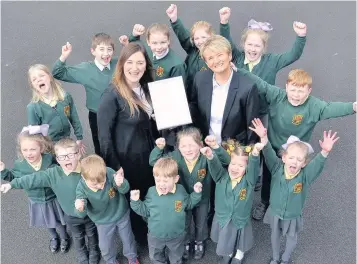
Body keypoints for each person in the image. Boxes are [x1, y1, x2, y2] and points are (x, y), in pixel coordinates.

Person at [237, 68, 357, 221]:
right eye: (293, 90)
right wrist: (239, 70)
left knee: (293, 179)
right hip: (273, 149)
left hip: (296, 153)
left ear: (309, 91)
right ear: (286, 87)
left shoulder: (314, 106)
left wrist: (353, 107)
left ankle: (288, 205)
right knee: (269, 177)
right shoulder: (278, 96)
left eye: (301, 91)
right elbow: (262, 84)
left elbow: (332, 108)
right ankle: (265, 202)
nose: (296, 95)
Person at [219, 6, 307, 191]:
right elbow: (225, 42)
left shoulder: (272, 61)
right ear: (244, 45)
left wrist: (300, 37)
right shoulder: (237, 57)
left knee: (258, 144)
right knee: (238, 141)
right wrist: (224, 23)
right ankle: (236, 167)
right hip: (238, 110)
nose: (253, 49)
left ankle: (256, 174)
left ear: (264, 47)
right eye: (249, 45)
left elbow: (293, 55)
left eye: (257, 45)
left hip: (261, 112)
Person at [249, 118, 340, 264]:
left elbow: (316, 165)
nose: (294, 161)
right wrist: (264, 137)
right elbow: (268, 152)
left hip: (292, 215)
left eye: (299, 159)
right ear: (284, 158)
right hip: (276, 212)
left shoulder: (305, 176)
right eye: (291, 157)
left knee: (292, 238)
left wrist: (324, 152)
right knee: (275, 235)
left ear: (304, 163)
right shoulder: (277, 168)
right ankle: (275, 257)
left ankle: (285, 259)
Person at [0, 138, 101, 264]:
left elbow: (101, 178)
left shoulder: (86, 170)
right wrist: (12, 184)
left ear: (78, 154)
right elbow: (32, 179)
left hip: (89, 214)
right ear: (57, 159)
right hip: (70, 215)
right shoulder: (53, 173)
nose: (66, 159)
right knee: (78, 236)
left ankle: (94, 251)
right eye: (62, 157)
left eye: (70, 155)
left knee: (92, 234)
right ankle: (81, 253)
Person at [97, 42, 159, 245]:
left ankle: (155, 229)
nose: (135, 68)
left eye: (140, 62)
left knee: (153, 193)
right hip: (129, 161)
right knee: (135, 198)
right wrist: (115, 167)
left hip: (151, 155)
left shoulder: (148, 87)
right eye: (130, 62)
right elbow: (104, 137)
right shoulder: (112, 95)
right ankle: (141, 238)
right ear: (122, 64)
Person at [149, 128, 230, 260]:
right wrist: (158, 148)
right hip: (182, 199)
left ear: (200, 144)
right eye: (183, 146)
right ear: (178, 147)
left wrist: (215, 147)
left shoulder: (206, 155)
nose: (188, 149)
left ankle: (199, 241)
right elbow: (154, 162)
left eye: (192, 144)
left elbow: (226, 160)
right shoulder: (175, 157)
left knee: (201, 222)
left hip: (202, 198)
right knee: (184, 222)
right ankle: (185, 242)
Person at [0, 126, 70, 254]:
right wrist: (3, 171)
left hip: (53, 197)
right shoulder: (20, 164)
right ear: (21, 150)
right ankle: (54, 237)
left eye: (33, 149)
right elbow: (14, 178)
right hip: (36, 200)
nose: (29, 153)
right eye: (25, 150)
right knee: (48, 222)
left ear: (41, 148)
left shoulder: (49, 159)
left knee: (60, 221)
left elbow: (59, 173)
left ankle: (65, 237)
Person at [120, 23, 187, 151]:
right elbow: (135, 46)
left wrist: (163, 114)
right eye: (154, 43)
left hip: (164, 116)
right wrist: (133, 35)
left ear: (169, 42)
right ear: (148, 42)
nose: (158, 47)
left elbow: (178, 96)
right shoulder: (146, 54)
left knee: (164, 147)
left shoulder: (176, 64)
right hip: (145, 105)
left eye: (163, 42)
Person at [52, 33, 118, 155]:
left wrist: (131, 40)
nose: (106, 53)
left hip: (119, 113)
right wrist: (64, 56)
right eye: (101, 49)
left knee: (121, 144)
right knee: (102, 147)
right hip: (97, 116)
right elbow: (57, 73)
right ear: (93, 51)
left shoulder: (118, 64)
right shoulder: (85, 69)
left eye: (109, 49)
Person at [201, 139, 263, 264]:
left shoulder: (249, 181)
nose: (235, 168)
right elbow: (214, 166)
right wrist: (210, 156)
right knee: (227, 237)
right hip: (223, 217)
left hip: (240, 218)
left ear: (247, 168)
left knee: (241, 240)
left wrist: (255, 154)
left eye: (241, 166)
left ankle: (239, 255)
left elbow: (254, 168)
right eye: (233, 164)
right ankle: (228, 253)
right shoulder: (221, 177)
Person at [130, 157, 203, 264]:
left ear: (176, 179)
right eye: (157, 180)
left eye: (165, 180)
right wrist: (136, 201)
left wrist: (196, 194)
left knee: (176, 257)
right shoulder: (151, 192)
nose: (161, 184)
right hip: (155, 236)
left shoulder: (181, 191)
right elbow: (145, 211)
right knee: (155, 257)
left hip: (177, 236)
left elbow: (189, 204)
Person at [75, 155, 139, 264]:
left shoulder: (108, 172)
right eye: (95, 184)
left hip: (121, 213)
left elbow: (125, 190)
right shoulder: (81, 188)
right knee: (105, 245)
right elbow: (81, 214)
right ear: (83, 177)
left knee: (128, 238)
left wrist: (121, 183)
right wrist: (80, 207)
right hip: (102, 221)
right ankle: (111, 261)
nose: (101, 186)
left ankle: (132, 258)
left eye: (103, 181)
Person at [27, 64, 85, 154]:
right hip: (48, 148)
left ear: (50, 77)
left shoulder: (65, 97)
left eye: (41, 75)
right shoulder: (33, 107)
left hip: (66, 143)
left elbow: (74, 118)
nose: (38, 79)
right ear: (33, 85)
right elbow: (34, 134)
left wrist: (79, 137)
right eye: (34, 79)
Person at [166, 4, 215, 98]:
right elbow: (184, 37)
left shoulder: (216, 55)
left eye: (203, 37)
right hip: (189, 96)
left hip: (207, 97)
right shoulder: (193, 50)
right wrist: (174, 19)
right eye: (196, 38)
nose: (200, 41)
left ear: (211, 36)